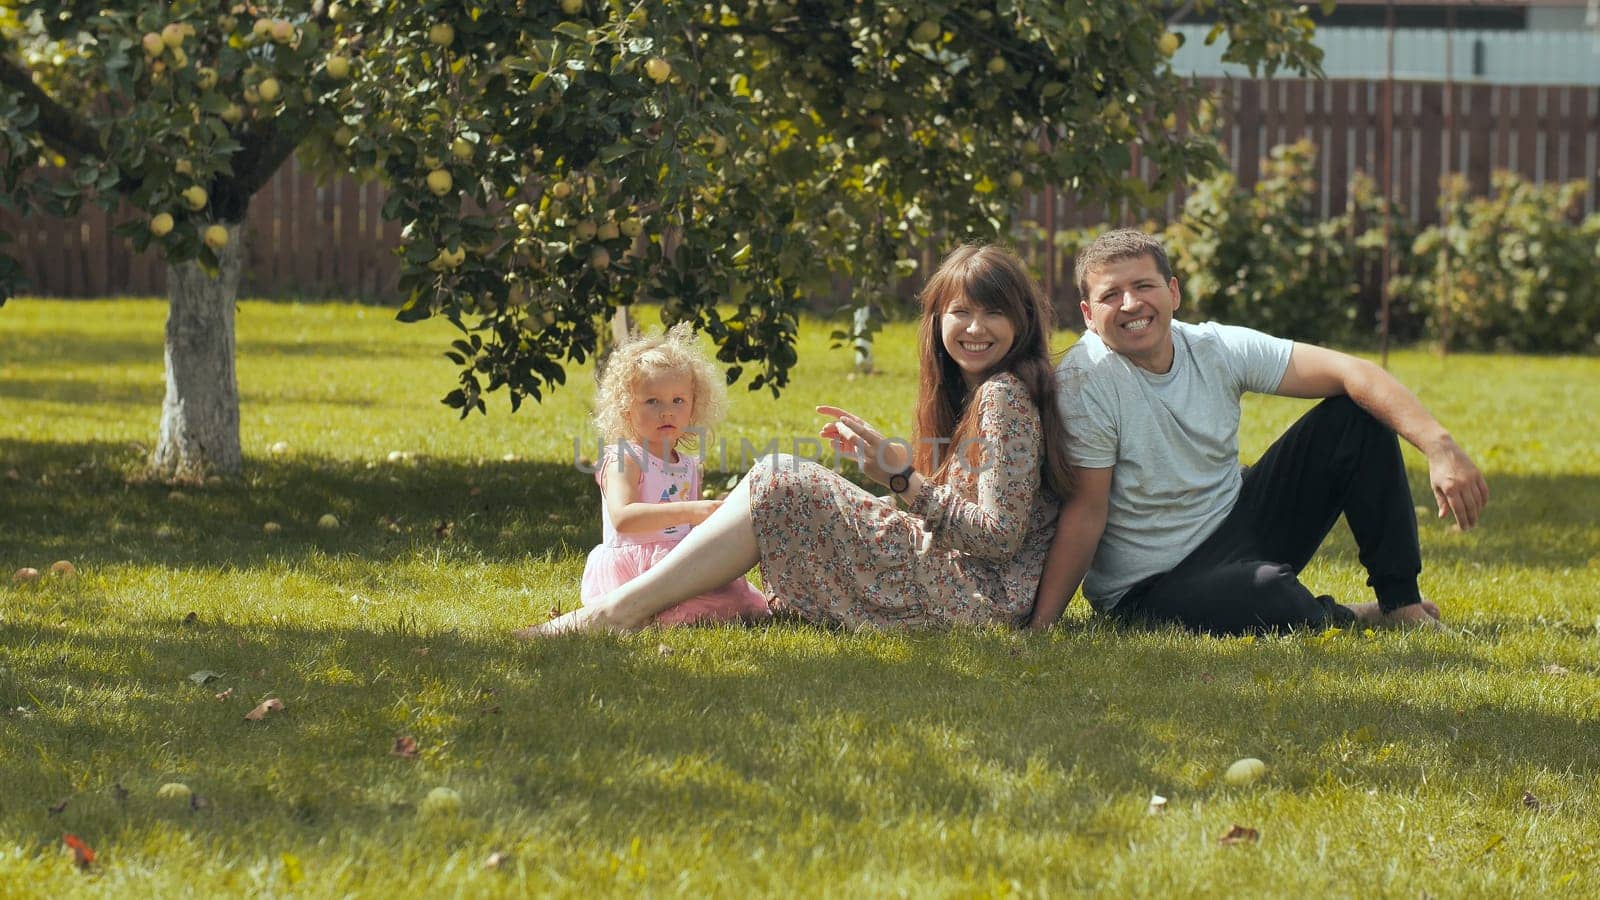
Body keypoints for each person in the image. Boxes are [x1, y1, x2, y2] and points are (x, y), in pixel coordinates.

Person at [517, 244, 1073, 636]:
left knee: (782, 478)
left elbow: (998, 539)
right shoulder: (975, 393)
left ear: (1022, 319)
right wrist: (880, 488)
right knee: (782, 482)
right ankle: (628, 607)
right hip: (963, 579)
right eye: (961, 312)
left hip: (975, 596)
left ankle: (616, 612)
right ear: (937, 321)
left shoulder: (1004, 397)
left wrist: (901, 479)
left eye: (993, 313)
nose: (975, 328)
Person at [1029, 229, 1488, 634]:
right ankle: (1345, 615)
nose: (1130, 304)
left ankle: (1400, 603)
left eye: (1143, 286)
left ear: (1172, 292)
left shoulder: (1213, 347)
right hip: (1151, 586)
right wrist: (1042, 627)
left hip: (1234, 523)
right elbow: (1087, 509)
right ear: (1089, 314)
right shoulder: (1086, 381)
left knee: (1357, 415)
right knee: (1269, 593)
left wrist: (1439, 446)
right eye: (1111, 295)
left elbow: (1355, 372)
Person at [577, 323, 770, 626]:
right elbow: (623, 517)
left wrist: (717, 513)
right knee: (686, 609)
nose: (666, 411)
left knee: (736, 600)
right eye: (652, 401)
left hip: (678, 562)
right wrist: (692, 511)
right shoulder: (624, 458)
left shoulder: (688, 464)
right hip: (636, 567)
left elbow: (686, 529)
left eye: (678, 401)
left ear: (694, 406)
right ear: (626, 407)